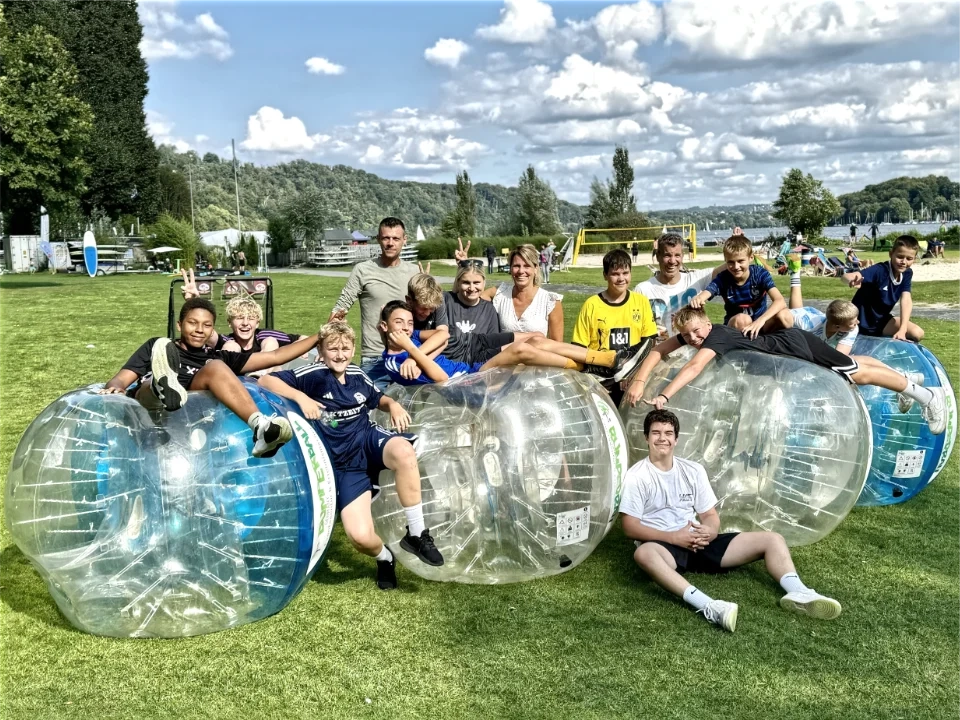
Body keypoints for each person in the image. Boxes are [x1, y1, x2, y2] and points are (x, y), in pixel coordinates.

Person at [258, 321, 443, 591]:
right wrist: (302, 397)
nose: (340, 354)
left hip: (366, 440)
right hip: (343, 466)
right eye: (332, 348)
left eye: (346, 348)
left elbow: (377, 397)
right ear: (321, 350)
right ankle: (385, 558)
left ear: (354, 349)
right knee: (360, 537)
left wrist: (392, 404)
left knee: (404, 451)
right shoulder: (313, 374)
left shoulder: (356, 372)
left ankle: (416, 534)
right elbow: (265, 379)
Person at [621, 409, 842, 632]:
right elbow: (629, 527)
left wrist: (710, 532)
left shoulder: (693, 470)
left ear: (676, 439)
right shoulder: (637, 476)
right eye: (656, 433)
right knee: (643, 554)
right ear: (646, 437)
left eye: (668, 433)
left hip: (697, 541)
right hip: (665, 548)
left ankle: (799, 591)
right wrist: (674, 538)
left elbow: (709, 516)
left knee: (773, 539)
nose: (662, 438)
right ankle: (710, 606)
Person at [623, 306, 946, 435]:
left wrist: (665, 394)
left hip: (795, 348)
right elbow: (659, 348)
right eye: (688, 336)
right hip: (790, 344)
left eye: (697, 332)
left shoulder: (715, 336)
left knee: (855, 375)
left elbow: (694, 368)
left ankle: (925, 395)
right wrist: (639, 380)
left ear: (707, 323)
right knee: (854, 366)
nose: (694, 340)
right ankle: (908, 381)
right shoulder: (700, 333)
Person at [101, 298, 320, 458]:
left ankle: (260, 426)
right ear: (179, 325)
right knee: (150, 386)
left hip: (190, 422)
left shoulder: (217, 356)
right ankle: (162, 386)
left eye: (206, 325)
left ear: (212, 329)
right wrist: (116, 388)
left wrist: (320, 336)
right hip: (148, 416)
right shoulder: (159, 347)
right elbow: (120, 379)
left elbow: (274, 356)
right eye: (192, 323)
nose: (199, 330)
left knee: (215, 366)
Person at [380, 301, 647, 385]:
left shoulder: (412, 340)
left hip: (472, 368)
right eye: (398, 323)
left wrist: (415, 353)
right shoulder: (394, 360)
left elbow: (442, 335)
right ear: (384, 327)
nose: (406, 328)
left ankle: (607, 360)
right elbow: (440, 379)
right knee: (521, 350)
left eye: (409, 322)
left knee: (535, 340)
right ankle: (587, 369)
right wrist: (413, 352)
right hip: (465, 385)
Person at [329, 217, 420, 390]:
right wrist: (325, 345)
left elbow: (430, 310)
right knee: (371, 413)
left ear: (404, 240)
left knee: (411, 413)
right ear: (378, 239)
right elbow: (341, 306)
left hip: (409, 356)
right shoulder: (363, 270)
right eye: (386, 238)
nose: (390, 243)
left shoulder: (414, 272)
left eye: (396, 238)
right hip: (375, 358)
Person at [572, 249, 659, 402]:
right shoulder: (591, 305)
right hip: (600, 380)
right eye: (615, 274)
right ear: (605, 275)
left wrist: (634, 375)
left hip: (631, 377)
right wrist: (594, 380)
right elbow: (578, 349)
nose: (621, 278)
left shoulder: (641, 302)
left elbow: (650, 343)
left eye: (625, 273)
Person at [689, 235, 792, 337]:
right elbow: (707, 292)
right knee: (743, 319)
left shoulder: (760, 274)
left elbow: (780, 301)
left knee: (785, 316)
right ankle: (743, 347)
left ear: (751, 257)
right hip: (736, 326)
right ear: (725, 260)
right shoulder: (723, 278)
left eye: (740, 261)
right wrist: (698, 299)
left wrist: (760, 321)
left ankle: (781, 346)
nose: (736, 267)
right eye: (731, 262)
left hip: (760, 324)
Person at [636, 233, 724, 340]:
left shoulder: (695, 279)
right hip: (659, 353)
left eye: (677, 255)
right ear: (658, 256)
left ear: (682, 256)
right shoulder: (643, 289)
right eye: (667, 255)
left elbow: (729, 267)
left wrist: (737, 243)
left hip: (693, 352)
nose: (672, 261)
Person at [843, 235, 924, 341]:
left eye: (909, 259)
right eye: (900, 257)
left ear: (914, 259)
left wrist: (902, 329)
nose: (904, 262)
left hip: (881, 322)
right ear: (891, 254)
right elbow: (846, 276)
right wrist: (851, 279)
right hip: (858, 323)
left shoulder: (907, 273)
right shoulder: (879, 270)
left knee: (917, 333)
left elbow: (906, 300)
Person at [482, 244, 563, 341]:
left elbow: (557, 344)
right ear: (510, 269)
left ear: (535, 269)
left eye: (527, 266)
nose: (521, 271)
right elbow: (470, 296)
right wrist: (464, 265)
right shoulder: (499, 294)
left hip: (537, 356)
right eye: (516, 266)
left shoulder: (550, 301)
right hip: (505, 355)